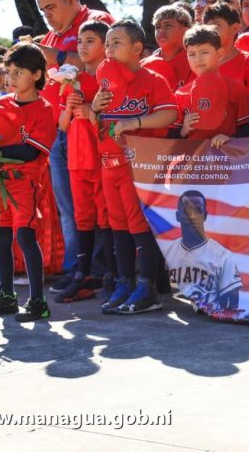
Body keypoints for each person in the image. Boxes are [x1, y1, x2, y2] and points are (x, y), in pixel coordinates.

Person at [91, 19, 178, 314]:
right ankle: (125, 282)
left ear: (137, 48)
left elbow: (170, 113)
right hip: (109, 164)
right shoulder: (105, 81)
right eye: (107, 43)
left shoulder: (152, 79)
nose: (109, 49)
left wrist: (136, 122)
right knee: (118, 225)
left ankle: (147, 287)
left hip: (137, 166)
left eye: (117, 43)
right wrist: (94, 108)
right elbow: (98, 123)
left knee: (139, 225)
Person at [33, 0, 115, 281]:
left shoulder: (97, 20)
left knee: (99, 204)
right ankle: (75, 268)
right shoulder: (50, 37)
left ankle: (100, 270)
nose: (47, 15)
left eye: (51, 7)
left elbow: (104, 60)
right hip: (58, 130)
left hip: (92, 130)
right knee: (70, 207)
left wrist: (51, 54)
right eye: (43, 10)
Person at [0, 43, 57, 322]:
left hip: (25, 183)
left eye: (18, 72)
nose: (10, 78)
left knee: (25, 236)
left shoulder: (44, 109)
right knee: (1, 235)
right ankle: (6, 296)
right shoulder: (1, 104)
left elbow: (30, 151)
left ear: (36, 74)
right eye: (9, 72)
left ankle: (38, 301)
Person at [53, 20, 117, 303]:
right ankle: (82, 274)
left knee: (106, 216)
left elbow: (114, 118)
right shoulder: (71, 80)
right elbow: (62, 125)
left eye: (90, 40)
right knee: (82, 216)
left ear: (105, 45)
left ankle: (110, 275)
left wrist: (91, 111)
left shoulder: (108, 79)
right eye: (80, 41)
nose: (82, 46)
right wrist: (70, 108)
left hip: (101, 157)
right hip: (77, 158)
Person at [163, 190, 243, 311]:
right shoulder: (167, 251)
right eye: (187, 211)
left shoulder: (223, 256)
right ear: (178, 216)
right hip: (177, 316)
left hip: (208, 319)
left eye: (198, 210)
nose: (192, 216)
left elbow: (231, 304)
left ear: (205, 215)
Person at [173, 25, 249, 143]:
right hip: (193, 154)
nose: (198, 59)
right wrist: (183, 130)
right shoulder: (180, 94)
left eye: (204, 52)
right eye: (192, 54)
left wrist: (232, 139)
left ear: (220, 54)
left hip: (226, 153)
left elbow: (248, 128)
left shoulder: (236, 88)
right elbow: (172, 140)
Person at [202, 1, 249, 94]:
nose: (211, 31)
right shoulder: (199, 61)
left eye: (216, 25)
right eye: (207, 27)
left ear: (234, 29)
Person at [142, 4, 194, 91]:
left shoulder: (197, 61)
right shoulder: (144, 65)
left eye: (168, 25)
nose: (161, 30)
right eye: (157, 27)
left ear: (186, 31)